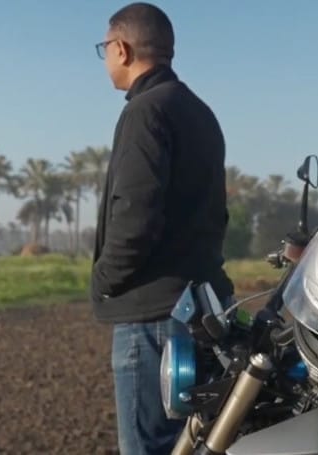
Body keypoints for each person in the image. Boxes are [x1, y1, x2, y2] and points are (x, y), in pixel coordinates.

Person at [90, 3, 235, 454]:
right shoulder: (199, 112)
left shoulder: (144, 112)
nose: (107, 59)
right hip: (204, 309)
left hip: (153, 319)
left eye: (105, 49)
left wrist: (104, 280)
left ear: (122, 48)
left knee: (148, 447)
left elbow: (135, 214)